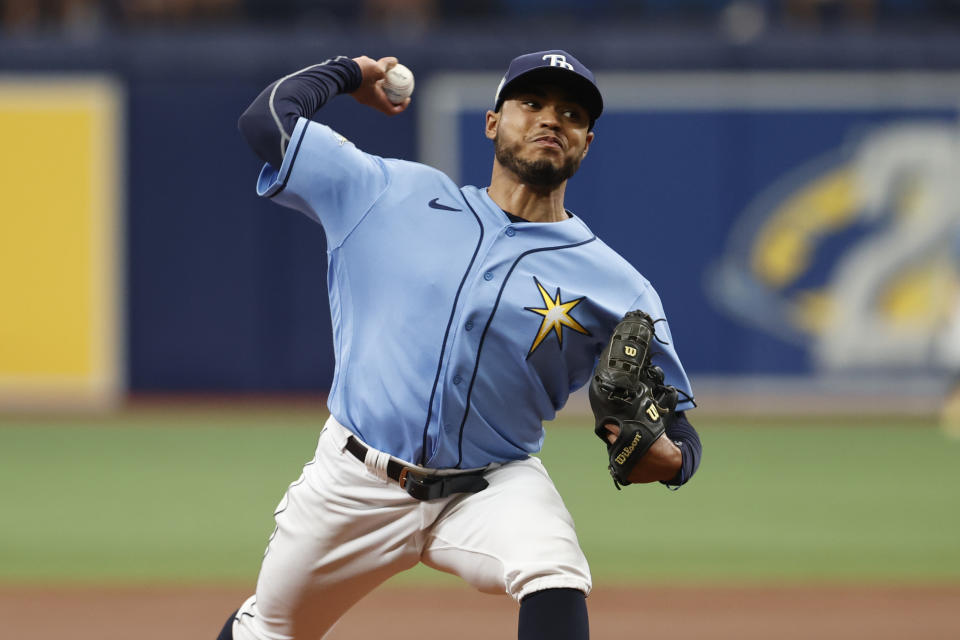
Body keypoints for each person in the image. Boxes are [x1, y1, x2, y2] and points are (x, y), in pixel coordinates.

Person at [219, 50, 703, 640]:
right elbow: (265, 121)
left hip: (492, 483)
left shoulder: (620, 287)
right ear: (492, 122)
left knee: (554, 567)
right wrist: (352, 72)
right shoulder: (388, 191)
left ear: (587, 142)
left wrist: (667, 458)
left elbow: (676, 431)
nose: (551, 120)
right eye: (531, 104)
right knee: (270, 627)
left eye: (571, 113)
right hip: (354, 479)